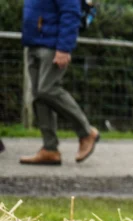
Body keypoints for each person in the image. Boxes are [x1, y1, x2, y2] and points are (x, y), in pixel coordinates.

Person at [20, 0, 99, 166]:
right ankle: (50, 149)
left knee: (47, 89)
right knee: (38, 96)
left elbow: (71, 13)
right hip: (33, 41)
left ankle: (86, 132)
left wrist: (64, 48)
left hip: (52, 45)